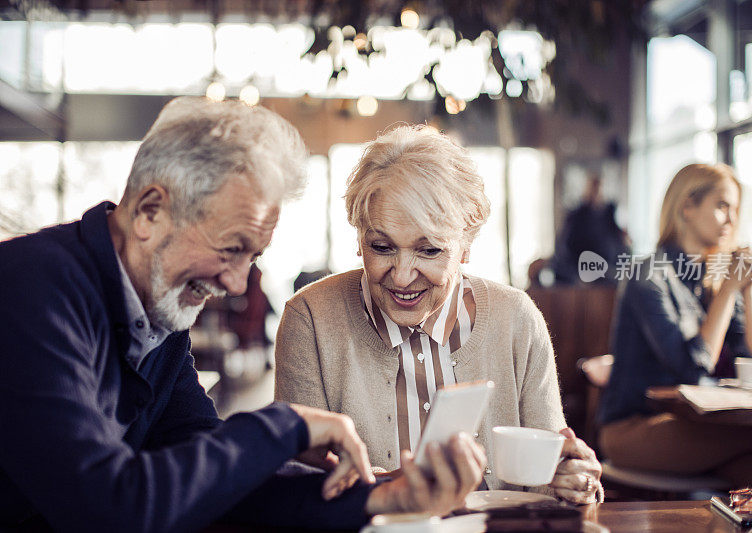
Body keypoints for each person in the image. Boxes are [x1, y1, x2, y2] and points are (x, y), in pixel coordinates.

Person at [0, 98, 486, 532]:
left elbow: (213, 483)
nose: (235, 284)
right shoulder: (28, 288)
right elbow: (107, 507)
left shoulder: (160, 315)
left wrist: (384, 496)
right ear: (150, 212)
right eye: (231, 248)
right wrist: (281, 427)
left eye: (251, 257)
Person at [274, 125, 603, 504]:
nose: (401, 275)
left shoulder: (517, 319)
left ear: (465, 246)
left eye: (429, 250)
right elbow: (298, 486)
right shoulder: (310, 319)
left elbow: (550, 471)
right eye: (381, 247)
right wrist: (389, 490)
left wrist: (574, 481)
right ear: (359, 237)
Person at [598, 163, 752, 487]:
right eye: (722, 205)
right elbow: (691, 367)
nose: (732, 219)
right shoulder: (647, 274)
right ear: (687, 206)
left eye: (736, 209)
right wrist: (729, 290)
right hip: (635, 427)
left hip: (697, 424)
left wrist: (748, 289)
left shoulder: (715, 277)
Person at [551, 174, 629, 284]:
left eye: (600, 189)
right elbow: (566, 249)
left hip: (607, 271)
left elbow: (619, 245)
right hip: (583, 272)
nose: (598, 194)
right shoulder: (576, 217)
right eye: (594, 189)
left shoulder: (609, 215)